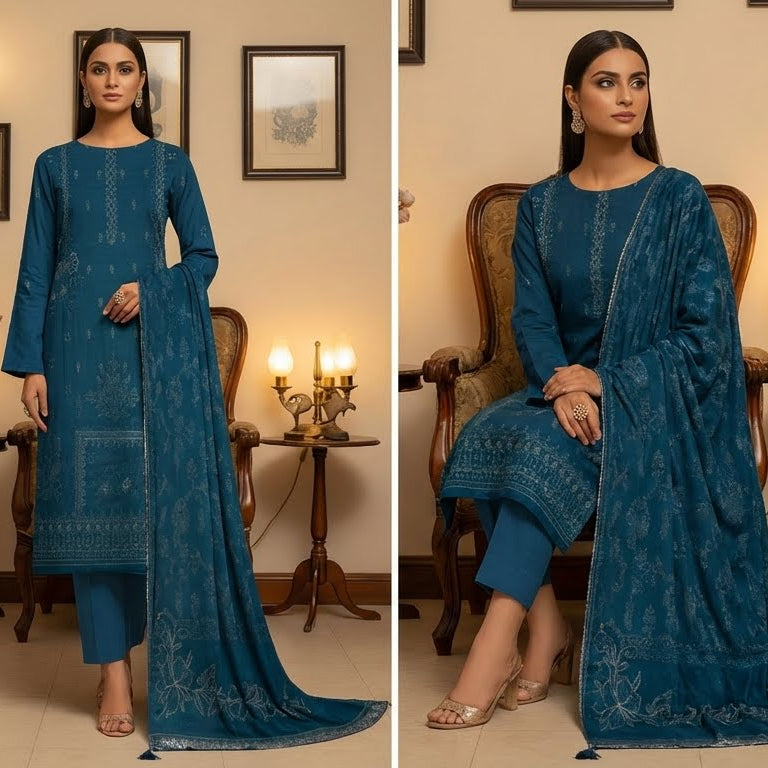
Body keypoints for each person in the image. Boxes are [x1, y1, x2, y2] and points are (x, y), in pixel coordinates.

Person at [2, 27, 385, 750]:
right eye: (98, 69)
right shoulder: (53, 167)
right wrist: (31, 367)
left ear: (143, 83)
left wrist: (152, 290)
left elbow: (203, 255)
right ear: (82, 82)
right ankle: (113, 671)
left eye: (125, 69)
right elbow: (33, 269)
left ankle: (161, 664)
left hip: (153, 359)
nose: (112, 80)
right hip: (73, 356)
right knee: (89, 513)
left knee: (145, 509)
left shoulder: (170, 165)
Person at [428, 29, 768, 755]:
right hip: (559, 397)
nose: (626, 97)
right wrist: (561, 385)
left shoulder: (677, 199)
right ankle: (546, 624)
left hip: (652, 405)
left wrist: (605, 382)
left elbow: (706, 336)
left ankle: (494, 648)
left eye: (637, 82)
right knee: (490, 437)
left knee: (535, 454)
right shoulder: (541, 206)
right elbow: (531, 318)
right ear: (572, 98)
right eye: (608, 82)